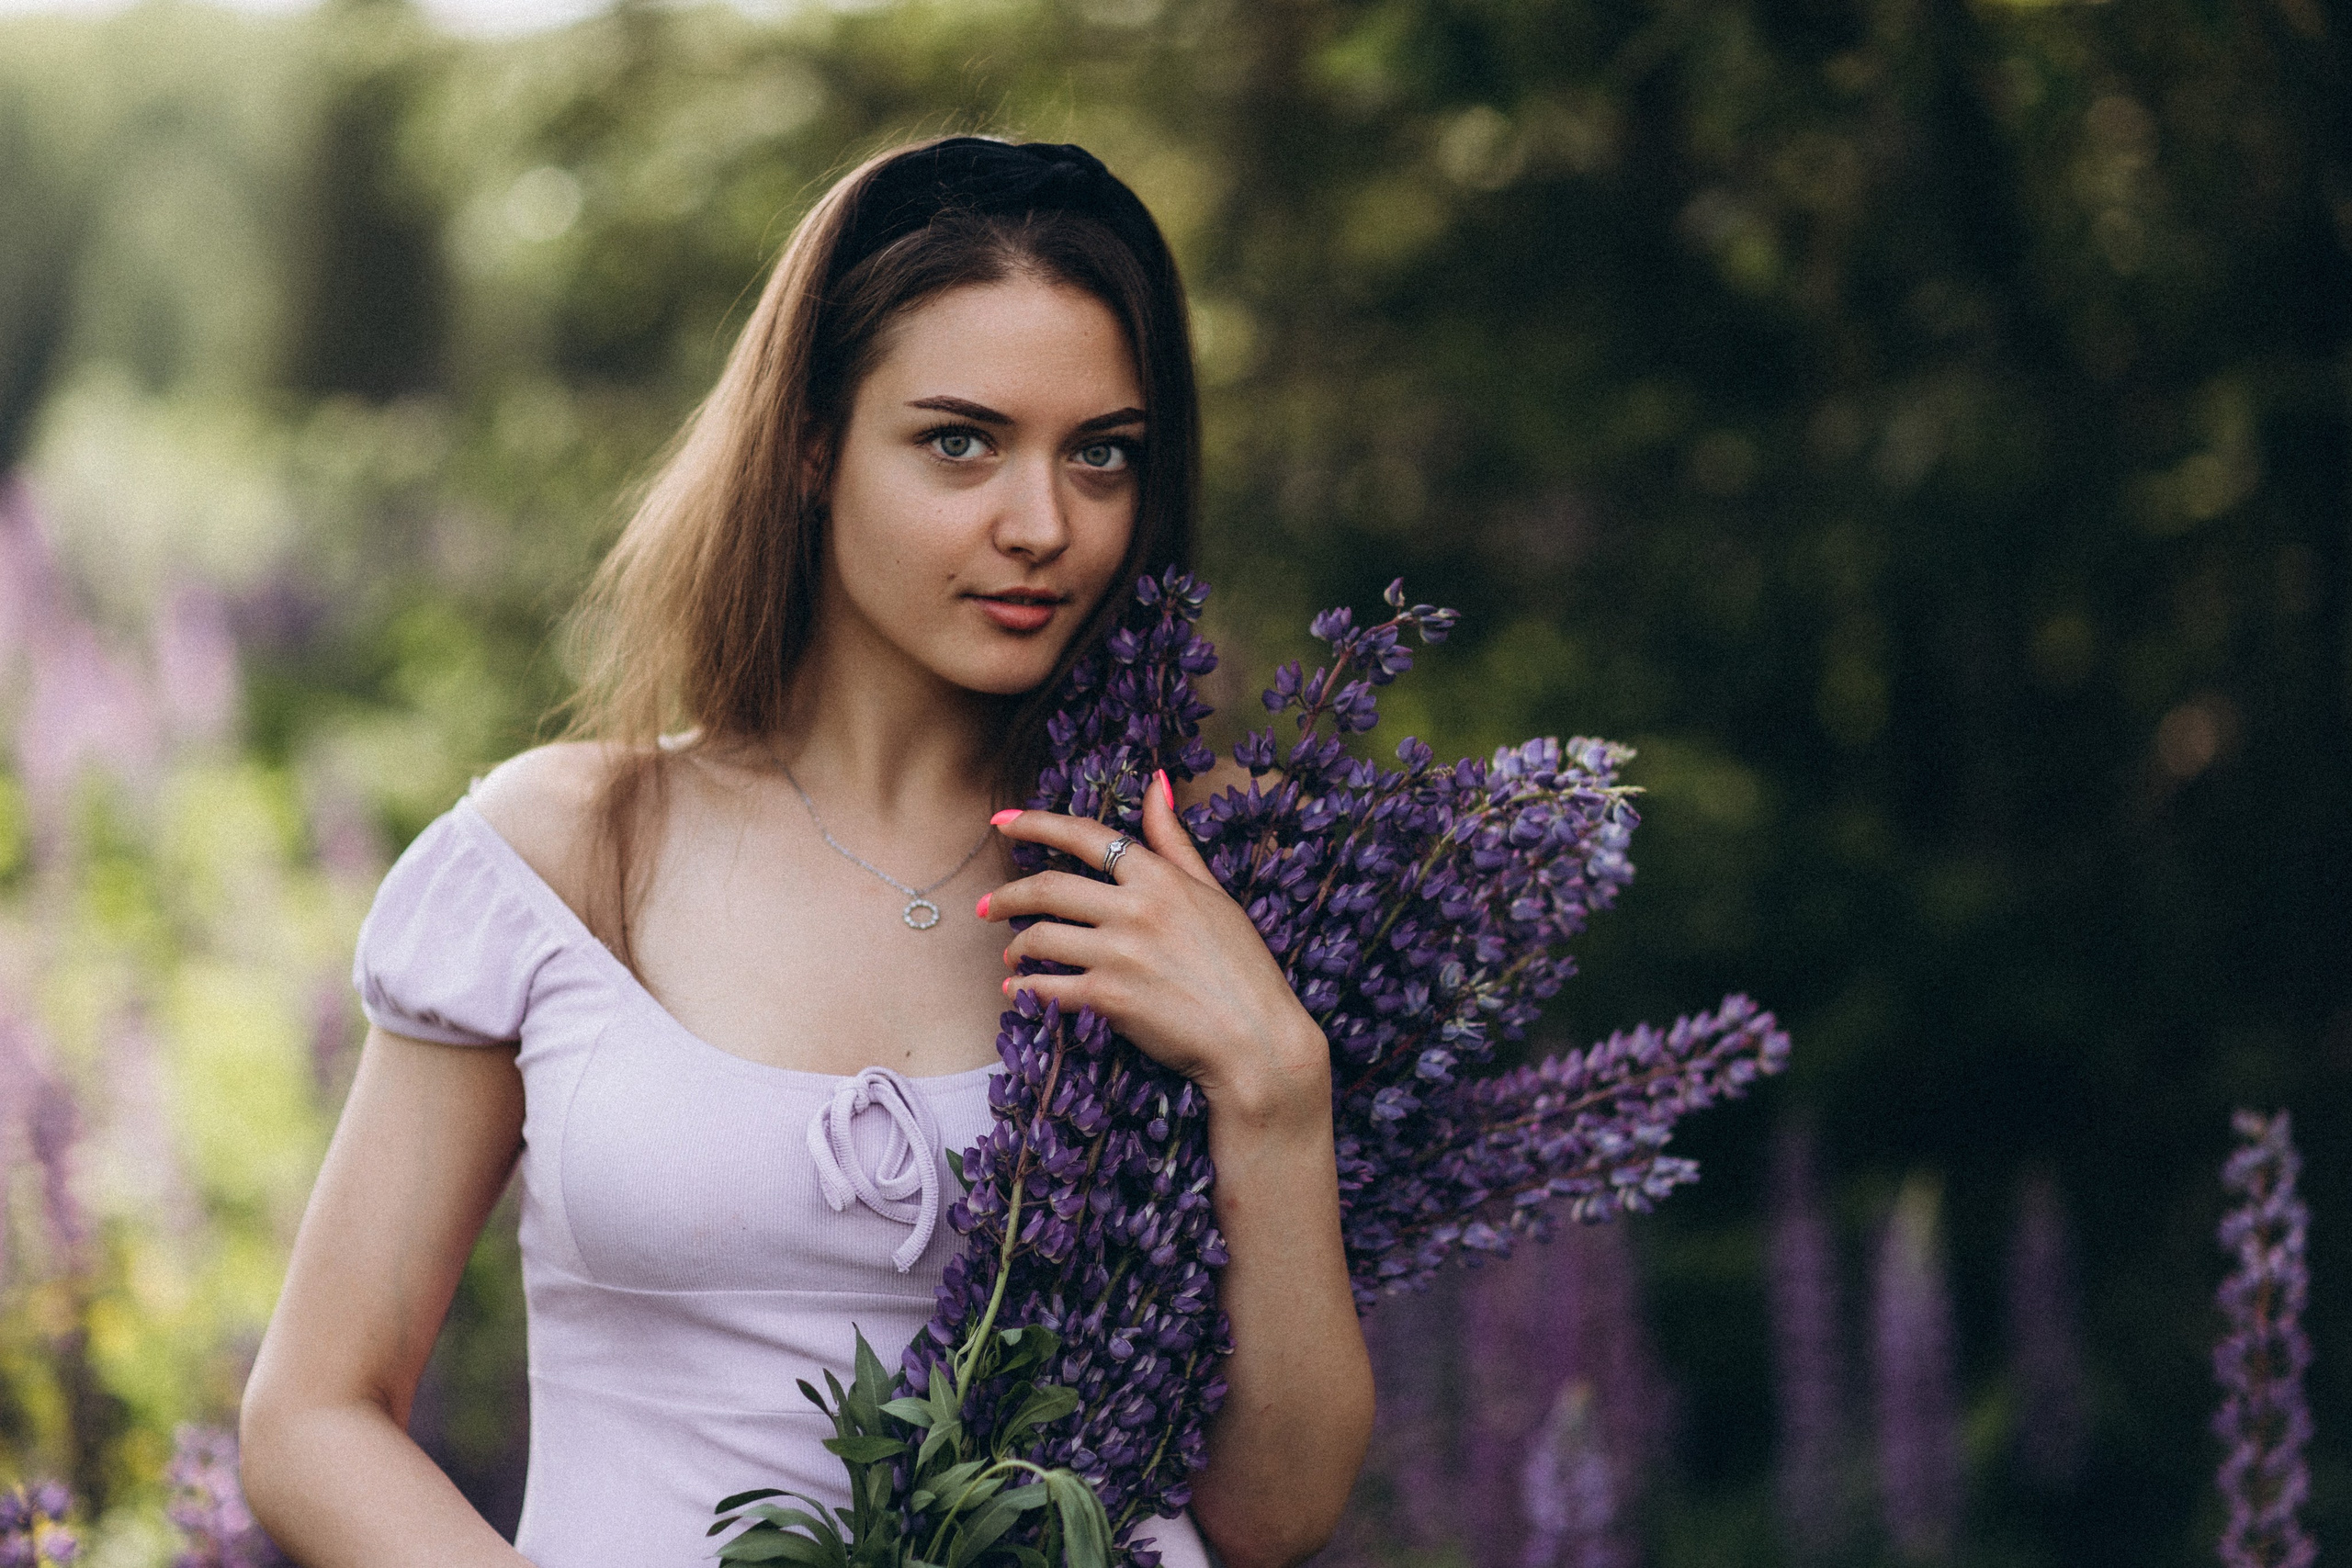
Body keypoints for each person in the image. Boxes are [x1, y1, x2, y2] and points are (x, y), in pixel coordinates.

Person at [239, 136, 1375, 1568]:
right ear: (811, 446)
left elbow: (1268, 1515)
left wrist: (1275, 1086)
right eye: (960, 440)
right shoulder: (574, 852)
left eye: (1103, 453)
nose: (1043, 525)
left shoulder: (1206, 864)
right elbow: (313, 1415)